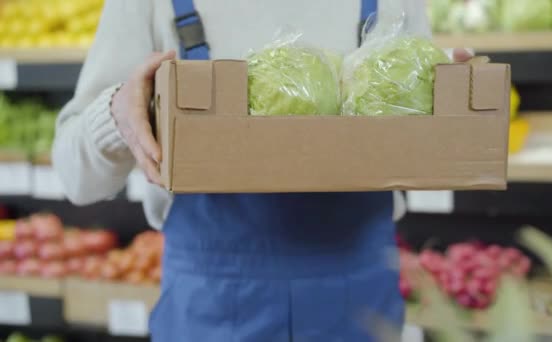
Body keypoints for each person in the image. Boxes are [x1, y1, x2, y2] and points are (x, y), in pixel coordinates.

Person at [53, 0, 471, 340]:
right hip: (211, 299)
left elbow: (425, 146)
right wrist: (113, 116)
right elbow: (75, 179)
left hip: (358, 298)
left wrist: (450, 108)